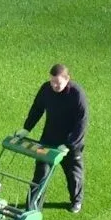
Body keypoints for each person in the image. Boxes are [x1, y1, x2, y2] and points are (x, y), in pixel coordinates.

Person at [23, 63, 87, 212]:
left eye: (58, 83)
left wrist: (69, 145)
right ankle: (32, 207)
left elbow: (81, 123)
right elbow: (37, 108)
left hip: (71, 144)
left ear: (67, 79)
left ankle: (76, 201)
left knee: (73, 175)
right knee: (40, 175)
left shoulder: (77, 95)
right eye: (52, 81)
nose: (54, 85)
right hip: (49, 140)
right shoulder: (46, 89)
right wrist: (26, 128)